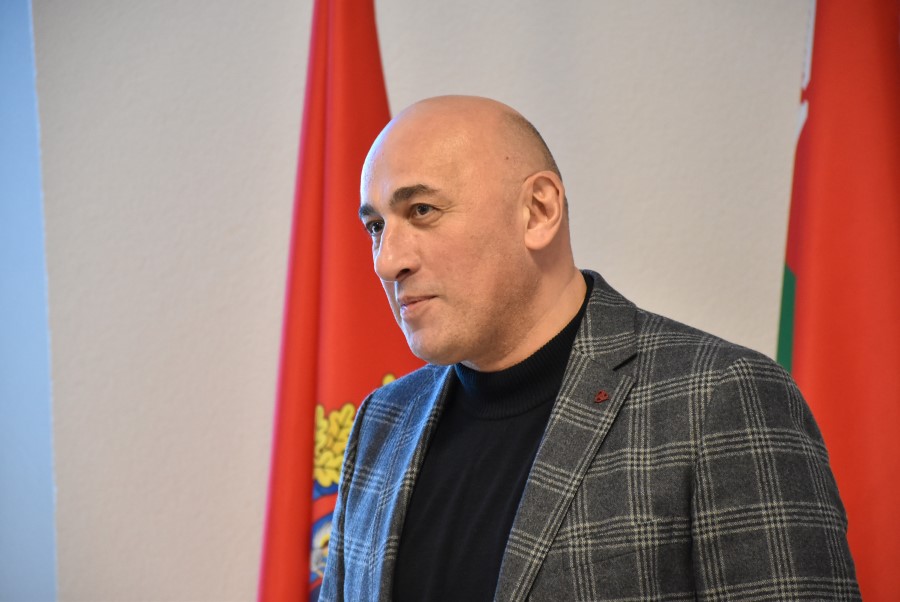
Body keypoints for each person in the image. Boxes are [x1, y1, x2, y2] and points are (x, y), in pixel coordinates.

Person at [319, 96, 859, 601]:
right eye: (375, 226)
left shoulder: (719, 399)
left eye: (421, 211)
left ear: (538, 210)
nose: (387, 261)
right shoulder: (382, 422)